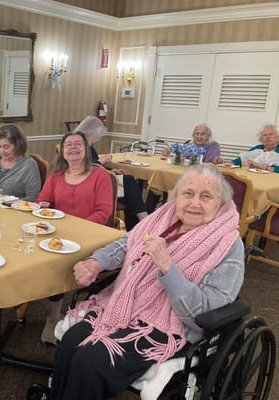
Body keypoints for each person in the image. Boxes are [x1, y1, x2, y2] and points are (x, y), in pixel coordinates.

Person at [51, 164, 244, 400]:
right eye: (187, 193)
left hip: (172, 327)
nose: (194, 203)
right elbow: (127, 244)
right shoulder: (163, 217)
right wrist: (96, 262)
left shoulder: (227, 245)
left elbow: (204, 313)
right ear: (176, 197)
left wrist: (167, 267)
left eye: (206, 196)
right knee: (70, 342)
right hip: (126, 306)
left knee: (91, 360)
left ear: (221, 204)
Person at [36, 131, 114, 344]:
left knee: (57, 261)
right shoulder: (56, 175)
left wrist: (76, 229)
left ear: (86, 149)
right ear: (62, 151)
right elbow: (43, 201)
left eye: (78, 144)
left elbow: (103, 212)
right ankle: (49, 307)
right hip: (59, 234)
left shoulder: (101, 176)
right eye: (68, 144)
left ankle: (53, 317)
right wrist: (40, 209)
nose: (73, 148)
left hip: (90, 235)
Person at [76, 116, 148, 230]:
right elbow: (84, 168)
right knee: (128, 182)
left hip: (96, 181)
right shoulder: (79, 146)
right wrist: (101, 160)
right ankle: (143, 219)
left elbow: (95, 167)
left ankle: (136, 224)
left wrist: (111, 171)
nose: (99, 138)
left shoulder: (88, 146)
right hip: (88, 185)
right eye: (99, 135)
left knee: (128, 190)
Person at [149, 123, 222, 212]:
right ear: (193, 135)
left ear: (208, 136)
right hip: (180, 174)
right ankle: (149, 211)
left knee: (165, 179)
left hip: (199, 179)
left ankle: (167, 210)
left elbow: (211, 162)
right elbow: (178, 158)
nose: (199, 136)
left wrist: (216, 160)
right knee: (160, 177)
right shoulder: (188, 144)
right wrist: (168, 153)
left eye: (202, 134)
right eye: (197, 133)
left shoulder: (213, 146)